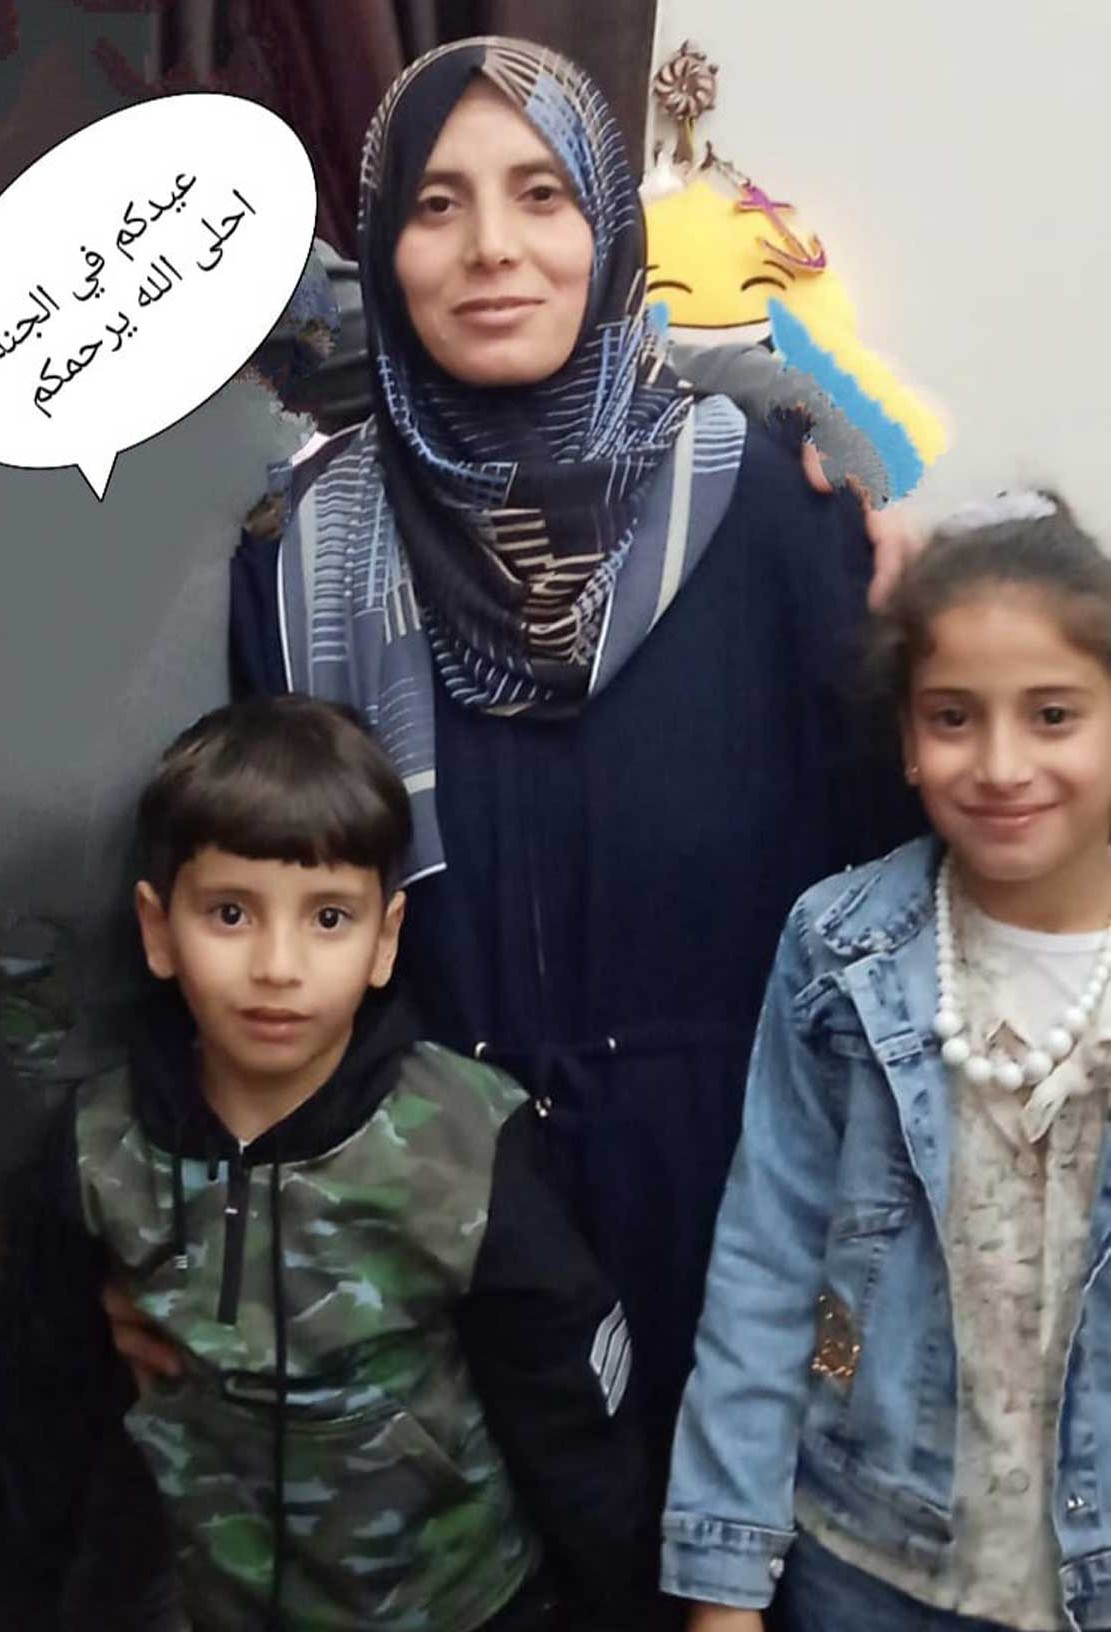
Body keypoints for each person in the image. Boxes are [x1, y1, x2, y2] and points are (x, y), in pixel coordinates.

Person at [111, 36, 921, 1542]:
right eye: (436, 203)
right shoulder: (296, 555)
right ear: (384, 249)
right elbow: (246, 893)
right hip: (421, 1241)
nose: (491, 246)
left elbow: (907, 890)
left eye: (542, 195)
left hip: (750, 1217)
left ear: (607, 224)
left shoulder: (777, 508)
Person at [7, 695, 649, 1632]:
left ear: (385, 939)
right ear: (158, 929)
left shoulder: (467, 1140)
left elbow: (572, 1418)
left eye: (329, 918)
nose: (278, 965)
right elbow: (41, 1413)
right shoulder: (95, 1147)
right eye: (231, 913)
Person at [663, 491, 1111, 1632]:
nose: (1001, 764)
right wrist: (723, 1583)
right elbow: (765, 1264)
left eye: (1053, 715)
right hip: (871, 1564)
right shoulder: (840, 947)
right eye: (952, 717)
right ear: (906, 740)